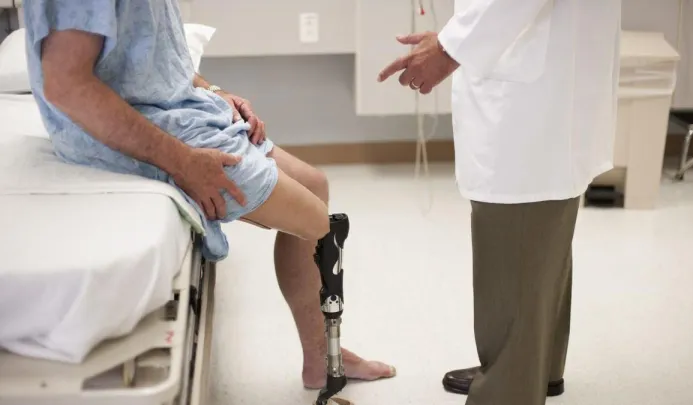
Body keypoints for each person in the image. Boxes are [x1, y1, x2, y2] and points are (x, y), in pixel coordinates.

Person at [24, 0, 395, 388]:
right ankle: (322, 356)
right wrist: (182, 162)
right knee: (315, 221)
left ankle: (320, 359)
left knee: (315, 185)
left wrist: (215, 92)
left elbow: (150, 55)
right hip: (124, 134)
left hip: (174, 111)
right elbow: (65, 85)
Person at [378, 1, 622, 404]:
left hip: (530, 89)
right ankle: (531, 366)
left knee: (517, 236)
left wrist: (450, 48)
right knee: (543, 236)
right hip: (547, 72)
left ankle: (509, 386)